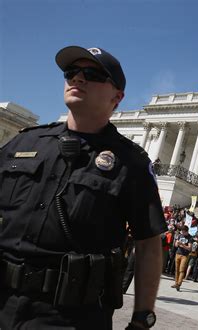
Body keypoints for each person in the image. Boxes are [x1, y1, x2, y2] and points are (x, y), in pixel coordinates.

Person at [0, 46, 167, 330]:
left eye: (91, 74)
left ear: (117, 97)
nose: (77, 79)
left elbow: (148, 245)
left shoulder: (131, 163)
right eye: (70, 72)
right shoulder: (24, 143)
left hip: (70, 316)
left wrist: (142, 318)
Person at [172, 225, 192, 291]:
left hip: (184, 255)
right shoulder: (180, 235)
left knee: (181, 270)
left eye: (183, 232)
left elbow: (189, 248)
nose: (182, 233)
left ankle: (179, 284)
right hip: (178, 253)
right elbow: (175, 245)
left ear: (187, 231)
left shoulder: (190, 238)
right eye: (182, 231)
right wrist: (177, 243)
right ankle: (176, 283)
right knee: (176, 269)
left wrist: (183, 245)